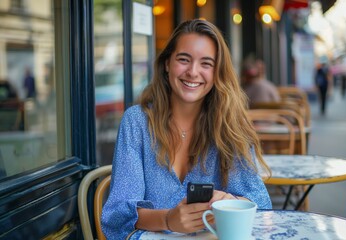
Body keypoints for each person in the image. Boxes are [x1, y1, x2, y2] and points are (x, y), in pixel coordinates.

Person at [101, 19, 272, 239]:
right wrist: (168, 219)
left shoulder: (229, 126)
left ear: (217, 73)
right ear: (167, 64)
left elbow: (261, 205)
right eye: (184, 59)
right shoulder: (137, 122)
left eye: (206, 63)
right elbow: (118, 215)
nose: (193, 72)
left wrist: (231, 202)